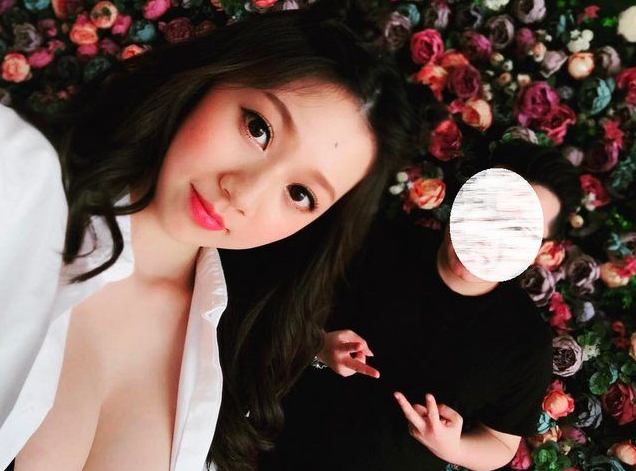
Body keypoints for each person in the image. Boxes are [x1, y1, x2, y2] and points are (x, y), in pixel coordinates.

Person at [0, 2, 424, 470]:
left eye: (300, 194)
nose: (243, 193)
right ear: (211, 79)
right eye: (258, 128)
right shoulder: (16, 180)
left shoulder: (233, 349)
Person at [257, 142, 583, 471]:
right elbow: (265, 310)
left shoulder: (525, 341)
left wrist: (454, 447)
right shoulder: (373, 241)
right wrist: (316, 345)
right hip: (265, 450)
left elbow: (500, 443)